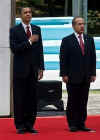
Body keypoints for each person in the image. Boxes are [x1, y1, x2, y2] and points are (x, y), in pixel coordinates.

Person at [10, 7, 44, 134]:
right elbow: (15, 49)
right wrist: (29, 41)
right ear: (20, 15)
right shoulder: (14, 30)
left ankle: (30, 124)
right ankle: (20, 125)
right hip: (20, 70)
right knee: (20, 98)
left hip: (33, 69)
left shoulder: (37, 29)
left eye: (30, 12)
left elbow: (40, 49)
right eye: (26, 12)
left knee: (32, 98)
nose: (28, 14)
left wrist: (41, 67)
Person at [60, 16, 96, 132]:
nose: (82, 26)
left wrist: (93, 73)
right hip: (72, 76)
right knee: (72, 101)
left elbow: (93, 58)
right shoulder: (67, 40)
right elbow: (63, 58)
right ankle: (72, 124)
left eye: (83, 24)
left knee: (83, 101)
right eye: (79, 24)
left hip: (86, 76)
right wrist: (64, 74)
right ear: (73, 26)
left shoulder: (89, 39)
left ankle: (82, 123)